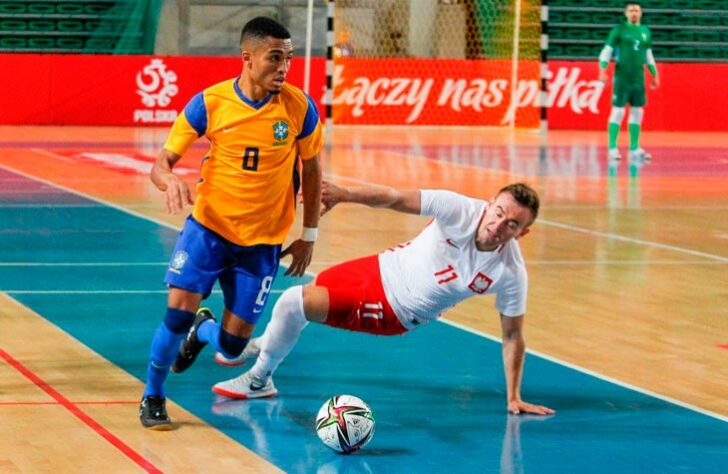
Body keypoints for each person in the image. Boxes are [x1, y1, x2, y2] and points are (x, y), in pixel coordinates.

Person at [213, 181, 555, 416]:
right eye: (497, 212)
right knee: (317, 287)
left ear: (522, 233)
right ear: (489, 204)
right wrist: (344, 193)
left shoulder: (509, 272)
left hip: (397, 309)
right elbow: (394, 198)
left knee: (293, 301)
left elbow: (513, 337)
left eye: (512, 224)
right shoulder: (460, 209)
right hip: (379, 266)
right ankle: (264, 343)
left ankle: (260, 378)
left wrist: (514, 397)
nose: (498, 224)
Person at [139, 16, 324, 430]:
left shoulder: (300, 108)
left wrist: (309, 236)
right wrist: (169, 179)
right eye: (275, 58)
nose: (284, 67)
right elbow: (161, 163)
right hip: (208, 230)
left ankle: (203, 331)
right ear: (248, 57)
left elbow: (312, 173)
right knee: (175, 315)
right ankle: (153, 394)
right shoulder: (210, 103)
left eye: (288, 59)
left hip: (261, 245)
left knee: (232, 347)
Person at [598, 2, 659, 163]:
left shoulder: (645, 31)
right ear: (626, 13)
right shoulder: (619, 31)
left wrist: (655, 74)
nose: (634, 13)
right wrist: (602, 70)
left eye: (636, 10)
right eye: (631, 10)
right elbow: (606, 52)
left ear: (641, 13)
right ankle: (612, 147)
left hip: (638, 78)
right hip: (622, 77)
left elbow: (648, 55)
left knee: (637, 112)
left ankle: (634, 148)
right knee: (618, 111)